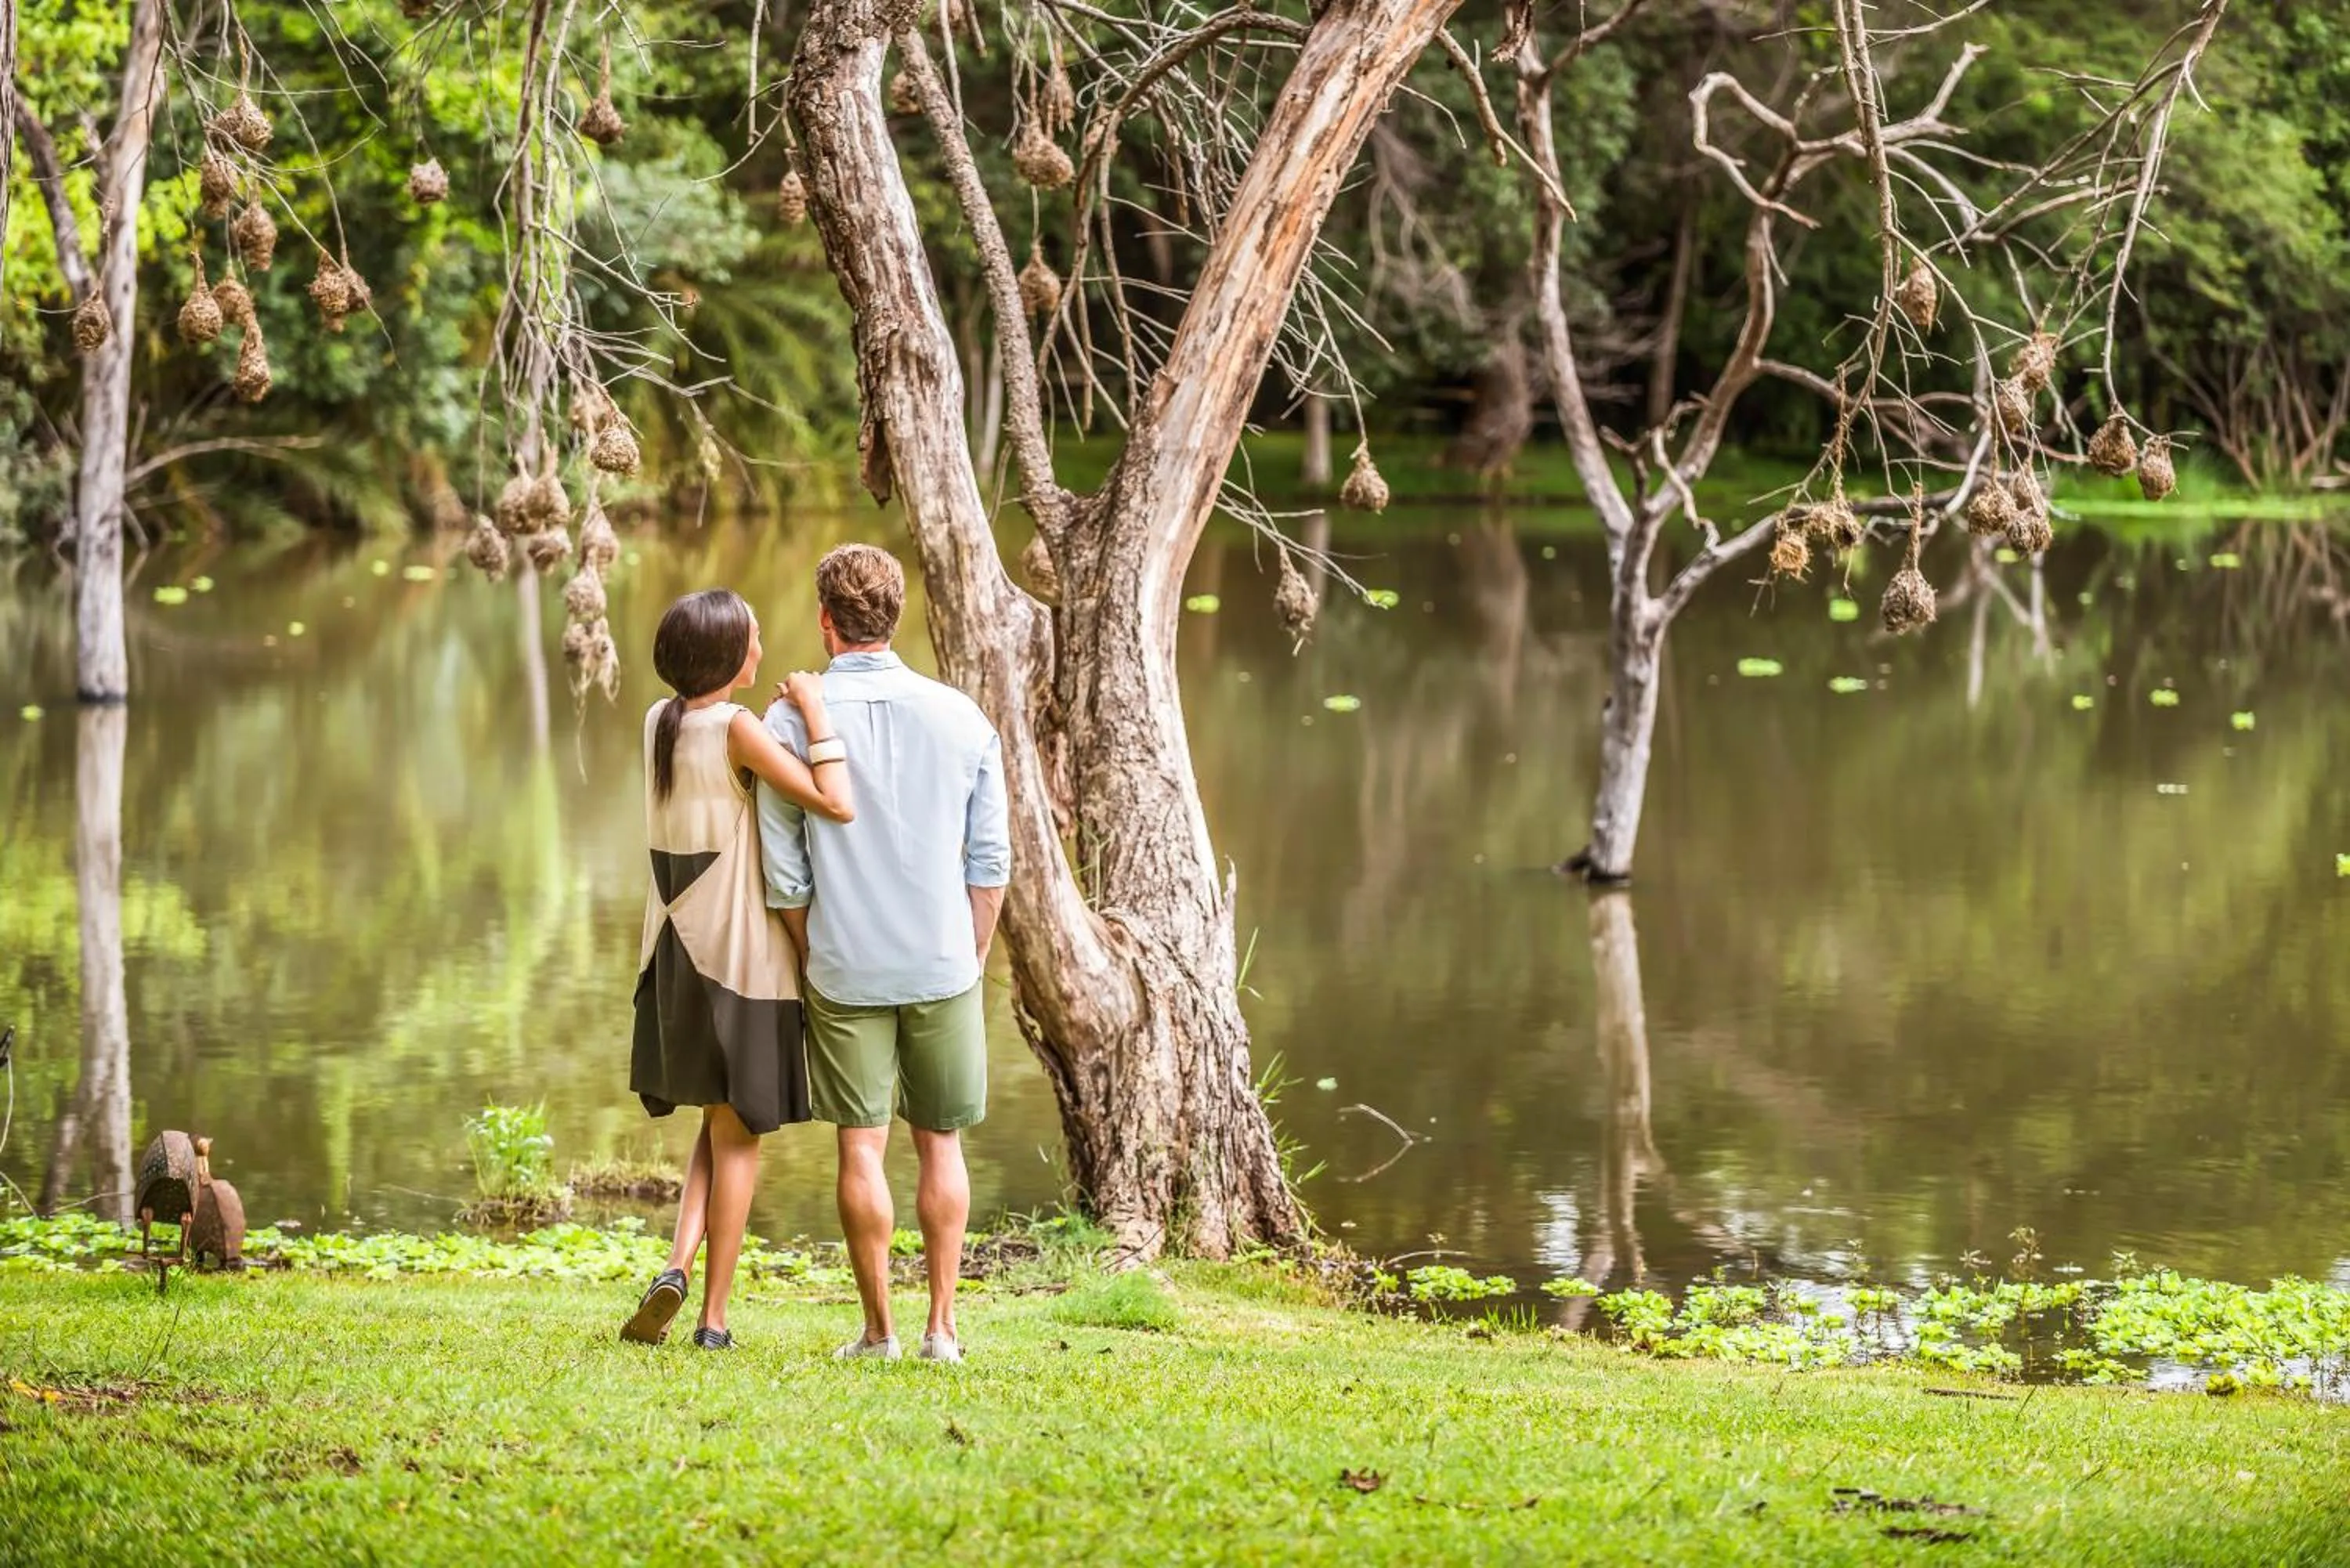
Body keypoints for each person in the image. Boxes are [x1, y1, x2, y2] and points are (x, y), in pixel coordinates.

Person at [758, 544, 1010, 1364]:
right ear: (892, 618)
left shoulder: (789, 720)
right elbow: (990, 864)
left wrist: (812, 952)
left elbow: (785, 871)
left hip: (843, 962)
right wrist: (967, 956)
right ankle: (943, 1330)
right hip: (944, 960)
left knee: (859, 1144)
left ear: (826, 621)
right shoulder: (962, 716)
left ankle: (879, 1332)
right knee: (942, 1142)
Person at [620, 588, 855, 1351]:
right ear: (728, 657)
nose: (761, 649)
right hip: (737, 960)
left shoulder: (663, 721)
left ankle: (677, 1264)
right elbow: (833, 801)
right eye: (753, 639)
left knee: (717, 1118)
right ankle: (714, 1318)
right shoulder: (738, 729)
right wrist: (815, 711)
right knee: (740, 1129)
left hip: (670, 954)